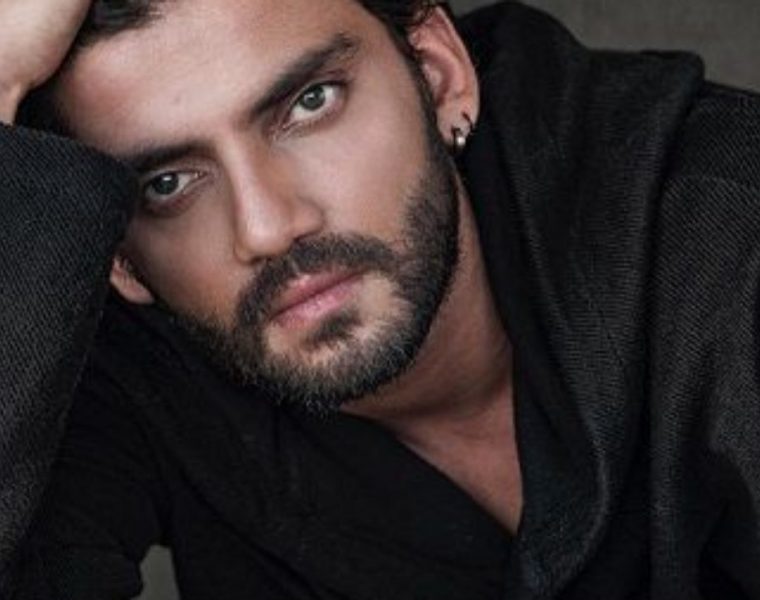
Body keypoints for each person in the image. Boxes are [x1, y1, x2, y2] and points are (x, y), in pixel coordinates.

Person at [2, 0, 760, 597]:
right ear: (122, 259)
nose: (268, 227)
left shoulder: (722, 222)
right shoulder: (99, 371)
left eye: (310, 103)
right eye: (168, 183)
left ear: (437, 76)